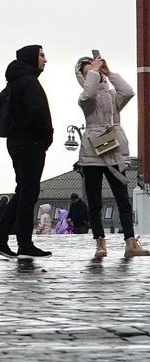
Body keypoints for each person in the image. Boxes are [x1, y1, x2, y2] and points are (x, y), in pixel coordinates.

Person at [0, 45, 54, 260]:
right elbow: (38, 113)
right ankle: (24, 244)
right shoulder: (29, 83)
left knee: (24, 191)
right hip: (30, 144)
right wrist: (46, 138)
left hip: (17, 143)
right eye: (41, 55)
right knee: (28, 194)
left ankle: (0, 239)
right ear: (31, 58)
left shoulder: (14, 82)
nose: (45, 59)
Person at [76, 54, 144, 261]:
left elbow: (128, 92)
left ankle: (130, 242)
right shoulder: (85, 99)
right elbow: (89, 94)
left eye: (96, 71)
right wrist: (94, 71)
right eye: (89, 73)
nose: (95, 74)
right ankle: (100, 241)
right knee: (94, 201)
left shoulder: (112, 96)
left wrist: (109, 72)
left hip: (112, 148)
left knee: (123, 199)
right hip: (92, 152)